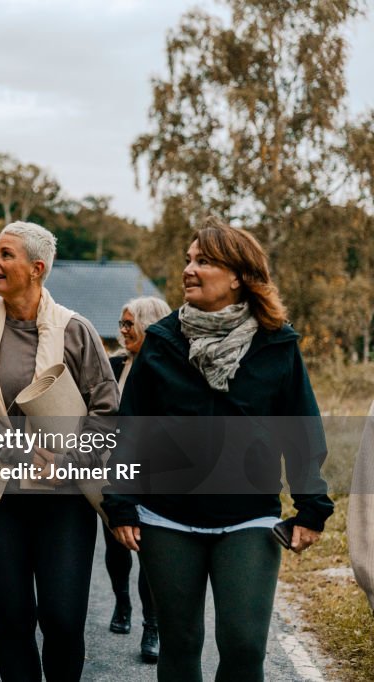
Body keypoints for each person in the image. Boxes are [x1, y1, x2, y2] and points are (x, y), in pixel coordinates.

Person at [102, 216, 335, 682]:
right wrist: (121, 503)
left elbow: (301, 429)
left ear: (237, 276)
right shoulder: (162, 343)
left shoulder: (277, 344)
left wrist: (311, 507)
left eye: (203, 261)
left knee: (244, 646)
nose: (189, 269)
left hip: (249, 516)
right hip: (166, 518)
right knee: (181, 644)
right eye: (188, 259)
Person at [0, 221, 119, 681]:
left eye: (5, 255)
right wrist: (22, 453)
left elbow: (107, 412)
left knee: (62, 621)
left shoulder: (76, 332)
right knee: (14, 624)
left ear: (36, 268)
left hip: (65, 500)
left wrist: (67, 461)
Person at [103, 296, 170, 662]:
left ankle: (152, 625)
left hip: (155, 474)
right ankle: (122, 603)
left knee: (150, 551)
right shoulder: (113, 367)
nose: (124, 330)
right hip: (113, 470)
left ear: (150, 325)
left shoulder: (170, 371)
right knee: (115, 547)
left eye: (131, 324)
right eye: (122, 323)